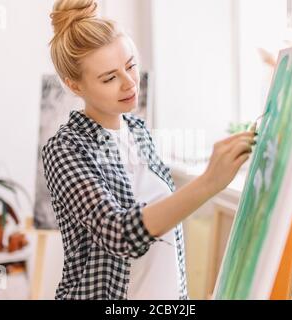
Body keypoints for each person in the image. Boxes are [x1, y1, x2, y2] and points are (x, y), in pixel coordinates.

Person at [42, 0, 256, 300]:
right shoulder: (65, 150)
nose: (130, 83)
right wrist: (209, 183)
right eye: (109, 77)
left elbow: (164, 235)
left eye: (130, 65)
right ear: (75, 86)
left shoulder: (139, 131)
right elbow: (120, 234)